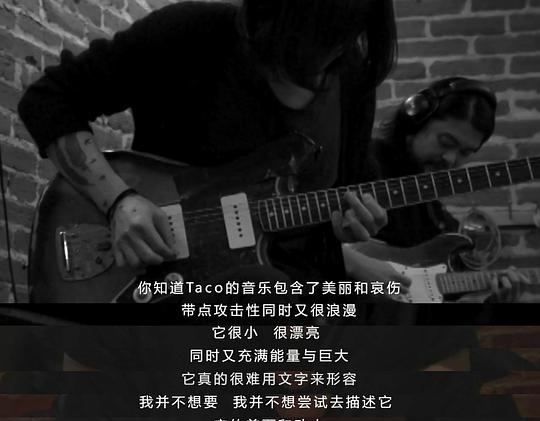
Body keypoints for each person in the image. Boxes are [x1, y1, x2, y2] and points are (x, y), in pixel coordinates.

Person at [18, 0, 397, 286]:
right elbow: (50, 100)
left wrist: (347, 229)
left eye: (337, 39)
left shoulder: (353, 82)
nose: (318, 59)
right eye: (305, 35)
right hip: (161, 279)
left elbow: (340, 203)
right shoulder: (193, 33)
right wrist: (119, 202)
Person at [344, 77, 531, 302]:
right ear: (414, 123)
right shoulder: (358, 162)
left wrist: (492, 303)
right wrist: (353, 263)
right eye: (446, 142)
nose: (451, 159)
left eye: (465, 153)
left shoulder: (438, 220)